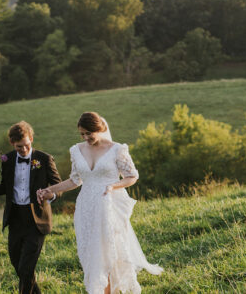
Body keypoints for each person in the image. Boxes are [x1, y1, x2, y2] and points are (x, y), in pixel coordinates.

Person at [37, 112, 162, 294]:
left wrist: (113, 186)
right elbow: (74, 180)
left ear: (100, 129)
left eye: (89, 133)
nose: (86, 137)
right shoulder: (76, 150)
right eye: (82, 134)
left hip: (108, 205)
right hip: (86, 207)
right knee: (91, 254)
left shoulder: (117, 149)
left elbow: (132, 176)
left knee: (110, 252)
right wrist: (51, 190)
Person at [0, 121, 62, 294]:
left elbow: (58, 186)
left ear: (32, 139)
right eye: (19, 147)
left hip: (37, 220)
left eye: (27, 145)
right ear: (12, 144)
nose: (24, 150)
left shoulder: (44, 159)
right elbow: (4, 187)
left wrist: (51, 194)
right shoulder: (8, 160)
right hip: (15, 219)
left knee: (26, 268)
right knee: (18, 266)